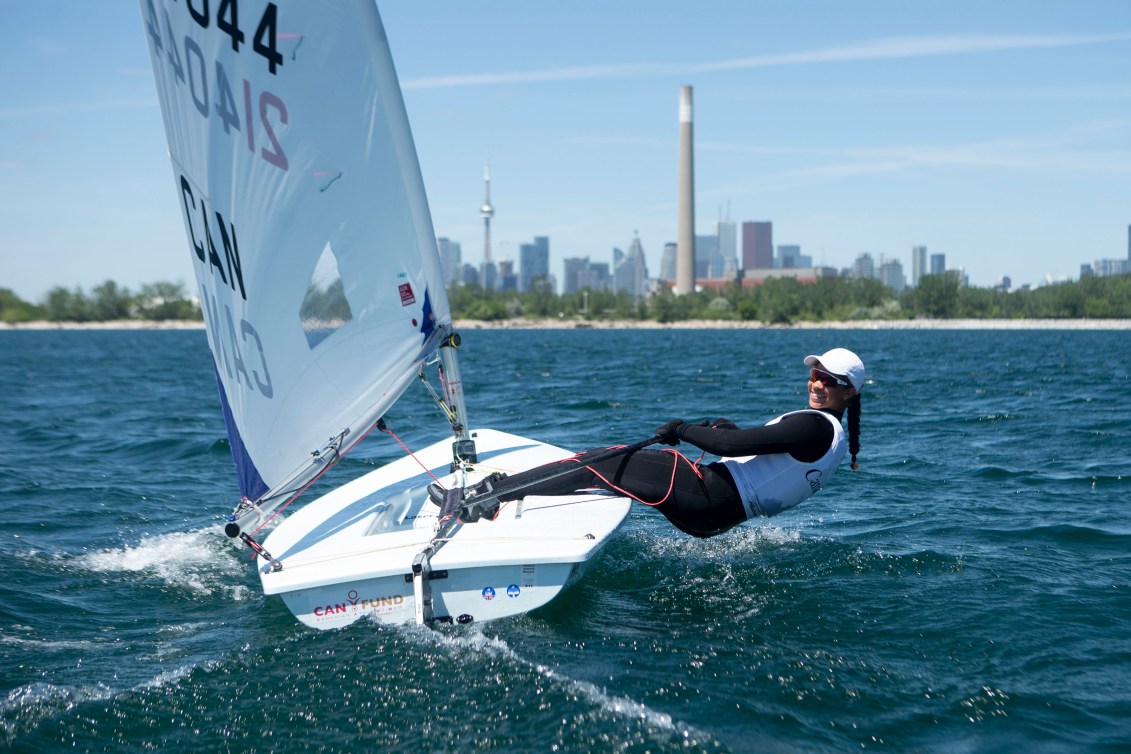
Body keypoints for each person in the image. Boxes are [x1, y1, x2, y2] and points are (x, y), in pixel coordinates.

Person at [453, 348, 864, 538]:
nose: (818, 383)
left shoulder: (816, 427)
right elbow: (760, 455)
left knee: (600, 461)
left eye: (830, 381)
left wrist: (682, 429)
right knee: (606, 470)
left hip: (708, 496)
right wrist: (725, 429)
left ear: (849, 393)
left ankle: (486, 497)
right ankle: (513, 499)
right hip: (718, 516)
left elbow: (736, 448)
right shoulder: (835, 439)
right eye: (815, 374)